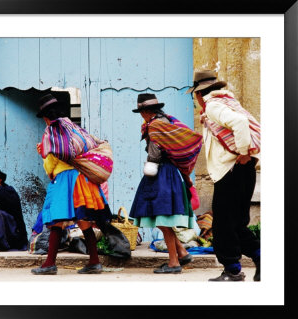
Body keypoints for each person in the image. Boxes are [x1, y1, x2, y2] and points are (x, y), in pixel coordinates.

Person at [186, 69, 261, 281]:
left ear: (200, 94)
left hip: (232, 172)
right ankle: (261, 258)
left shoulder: (214, 106)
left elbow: (240, 123)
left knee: (222, 226)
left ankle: (232, 270)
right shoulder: (227, 102)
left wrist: (244, 153)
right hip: (241, 172)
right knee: (236, 224)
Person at [31, 94, 112, 275]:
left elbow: (51, 166)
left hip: (63, 180)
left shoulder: (50, 133)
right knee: (84, 221)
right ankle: (94, 261)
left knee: (56, 222)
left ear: (45, 118)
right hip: (82, 179)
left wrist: (43, 155)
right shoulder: (74, 129)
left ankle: (50, 264)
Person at [130, 93, 203, 274]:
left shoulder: (154, 126)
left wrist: (148, 168)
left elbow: (155, 154)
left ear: (146, 111)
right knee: (163, 219)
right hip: (171, 173)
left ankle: (173, 262)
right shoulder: (167, 121)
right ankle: (182, 252)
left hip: (160, 174)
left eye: (141, 111)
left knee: (162, 218)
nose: (141, 115)